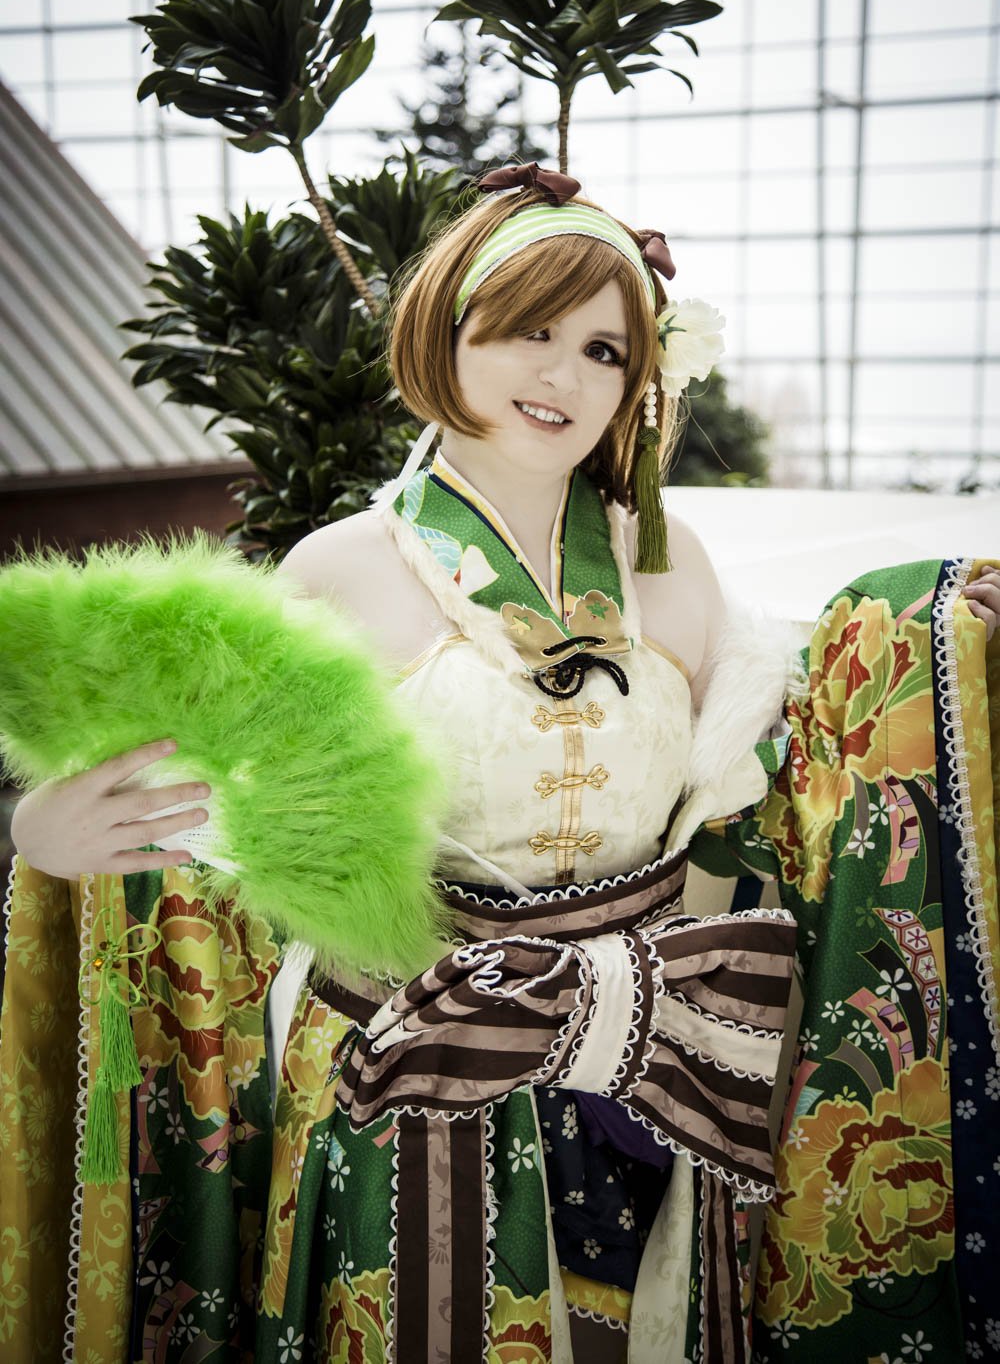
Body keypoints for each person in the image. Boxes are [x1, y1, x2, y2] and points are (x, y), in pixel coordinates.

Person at [4, 166, 999, 1364]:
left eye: (602, 351)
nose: (563, 377)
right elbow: (236, 823)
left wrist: (928, 635)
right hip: (408, 1063)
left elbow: (776, 782)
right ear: (446, 330)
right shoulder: (337, 570)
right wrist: (42, 835)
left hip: (650, 1064)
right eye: (529, 330)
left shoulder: (672, 567)